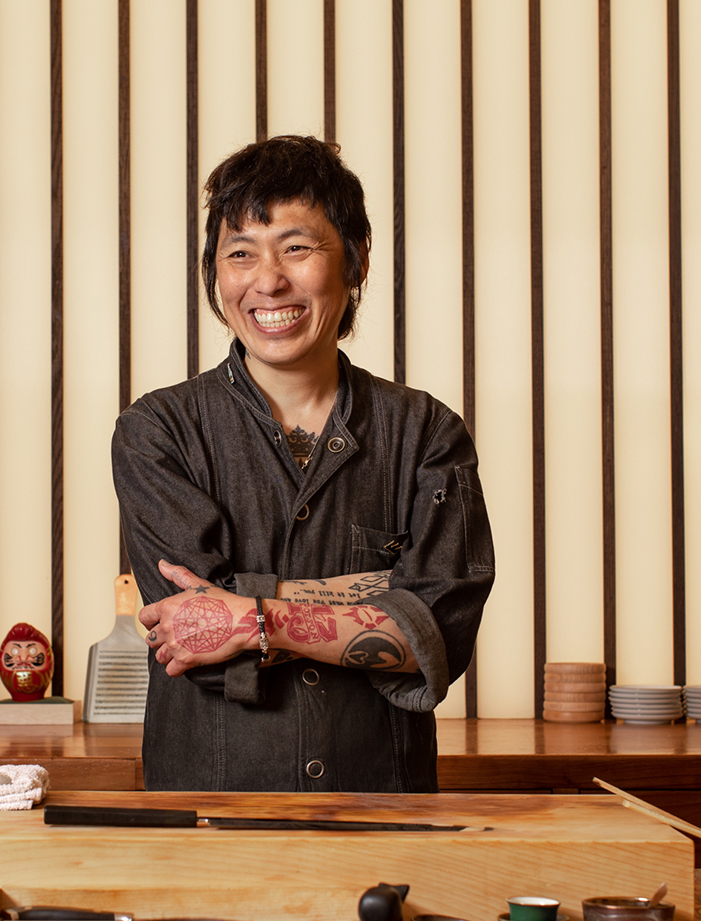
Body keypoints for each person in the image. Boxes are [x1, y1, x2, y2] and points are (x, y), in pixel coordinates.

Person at [111, 135, 494, 791]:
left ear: (356, 260)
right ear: (216, 274)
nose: (268, 280)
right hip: (210, 826)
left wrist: (254, 617)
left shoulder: (428, 433)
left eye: (297, 247)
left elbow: (438, 634)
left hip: (384, 817)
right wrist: (382, 596)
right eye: (240, 254)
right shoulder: (158, 432)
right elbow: (196, 637)